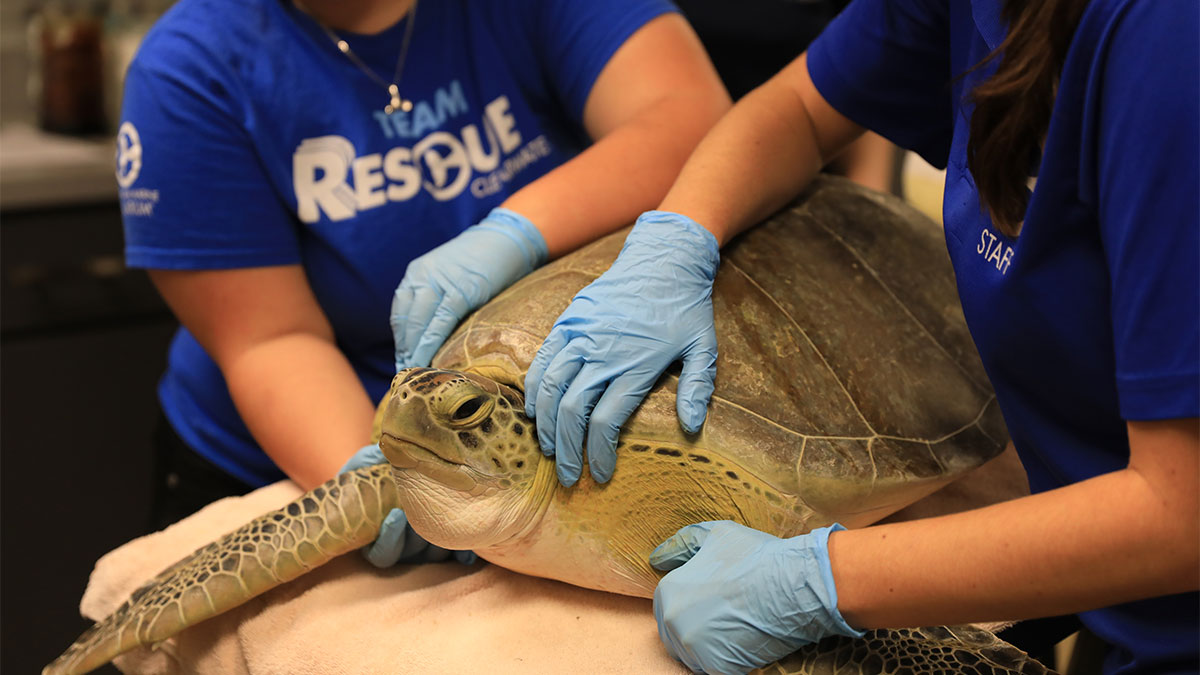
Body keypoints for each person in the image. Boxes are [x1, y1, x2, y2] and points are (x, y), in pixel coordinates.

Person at [523, 0, 1199, 673]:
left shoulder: (1167, 38)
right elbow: (800, 108)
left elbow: (1181, 511)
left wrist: (823, 578)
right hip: (1117, 597)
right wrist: (679, 234)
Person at [118, 0, 731, 558]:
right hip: (279, 457)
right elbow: (271, 341)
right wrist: (383, 480)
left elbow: (697, 120)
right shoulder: (189, 68)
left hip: (535, 422)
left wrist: (517, 231)